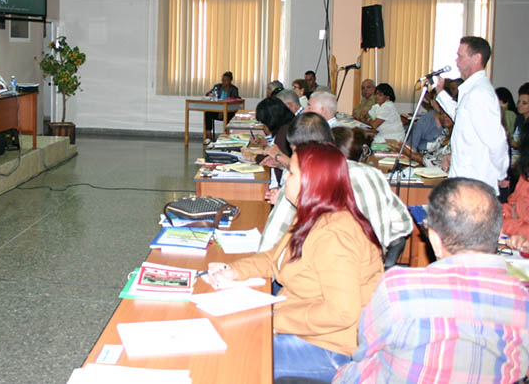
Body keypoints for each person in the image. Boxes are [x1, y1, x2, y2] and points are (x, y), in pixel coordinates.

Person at [207, 142, 383, 381]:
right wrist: (235, 271)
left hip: (331, 348)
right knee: (229, 337)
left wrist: (276, 321)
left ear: (311, 182)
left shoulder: (335, 235)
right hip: (303, 328)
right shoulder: (311, 215)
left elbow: (342, 312)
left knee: (236, 359)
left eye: (291, 173)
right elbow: (273, 259)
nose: (285, 179)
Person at [335, 178, 529, 383]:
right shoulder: (522, 299)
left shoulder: (397, 289)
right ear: (498, 233)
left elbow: (364, 350)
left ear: (434, 239)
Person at [259, 113, 412, 253]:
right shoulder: (373, 174)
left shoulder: (302, 180)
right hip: (373, 271)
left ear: (297, 149)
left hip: (322, 276)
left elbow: (269, 245)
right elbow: (404, 224)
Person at [434, 36, 509, 193]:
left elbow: (496, 140)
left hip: (476, 182)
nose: (456, 61)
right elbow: (461, 118)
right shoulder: (471, 89)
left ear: (476, 58)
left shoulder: (480, 93)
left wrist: (502, 174)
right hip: (464, 178)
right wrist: (440, 92)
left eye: (460, 56)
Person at [204, 71, 240, 140]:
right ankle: (208, 135)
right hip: (217, 110)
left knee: (230, 116)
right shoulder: (218, 86)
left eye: (226, 80)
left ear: (230, 81)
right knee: (208, 113)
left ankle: (227, 135)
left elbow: (233, 101)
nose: (224, 82)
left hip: (228, 111)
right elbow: (208, 93)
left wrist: (223, 111)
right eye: (223, 80)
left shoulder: (234, 89)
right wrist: (209, 94)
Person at [510, 83, 529, 150]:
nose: (519, 105)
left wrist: (515, 144)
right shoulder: (519, 118)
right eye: (519, 101)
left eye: (524, 103)